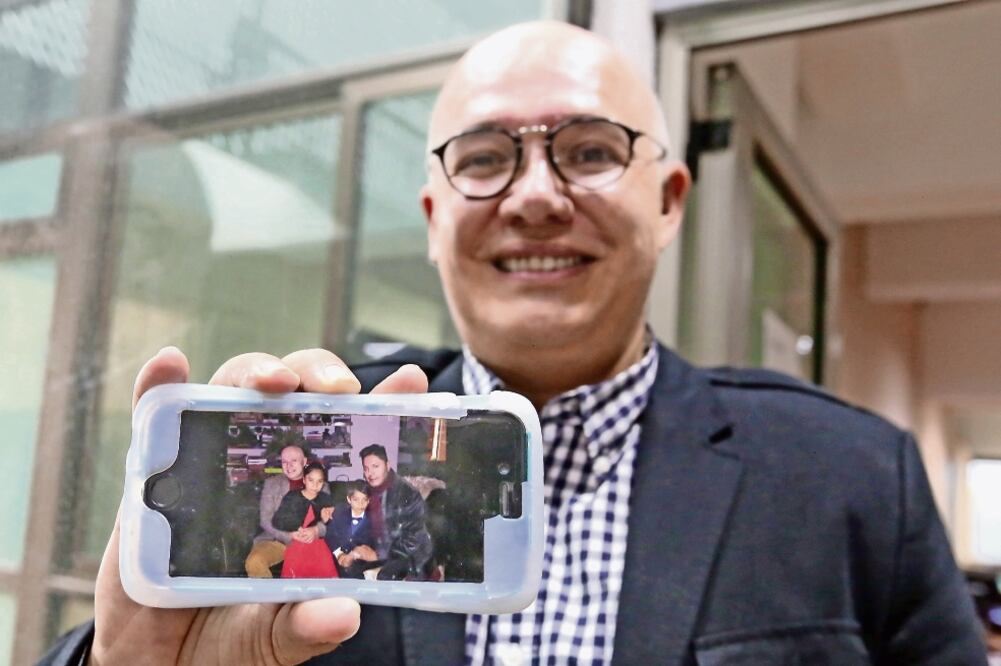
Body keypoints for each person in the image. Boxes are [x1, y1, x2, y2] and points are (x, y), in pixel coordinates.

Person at [39, 20, 987, 666]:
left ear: (667, 203)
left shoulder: (855, 476)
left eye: (590, 151)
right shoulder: (329, 429)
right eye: (486, 159)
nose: (534, 197)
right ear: (432, 218)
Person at [243, 443, 329, 578]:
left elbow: (329, 518)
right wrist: (289, 536)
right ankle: (271, 593)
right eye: (284, 462)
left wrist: (316, 531)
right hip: (276, 540)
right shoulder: (272, 484)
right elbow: (265, 519)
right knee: (254, 562)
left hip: (310, 542)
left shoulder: (319, 484)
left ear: (304, 461)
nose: (288, 466)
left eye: (294, 461)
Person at [357, 444, 433, 582]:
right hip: (381, 554)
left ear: (387, 465)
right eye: (366, 468)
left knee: (383, 579)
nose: (370, 473)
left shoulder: (407, 493)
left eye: (375, 466)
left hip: (410, 559)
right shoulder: (367, 492)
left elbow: (413, 539)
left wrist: (379, 555)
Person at [272, 462, 338, 579]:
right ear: (304, 480)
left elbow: (332, 526)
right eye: (311, 480)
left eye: (319, 481)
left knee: (327, 573)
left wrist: (325, 520)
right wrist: (296, 528)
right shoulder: (292, 496)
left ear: (323, 483)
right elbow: (277, 520)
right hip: (297, 541)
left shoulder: (325, 498)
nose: (315, 485)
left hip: (318, 543)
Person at [324, 481, 378, 578]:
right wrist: (339, 554)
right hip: (340, 556)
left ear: (369, 500)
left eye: (364, 500)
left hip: (362, 561)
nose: (360, 504)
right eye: (356, 500)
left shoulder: (374, 519)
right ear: (349, 499)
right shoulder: (339, 513)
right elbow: (331, 535)